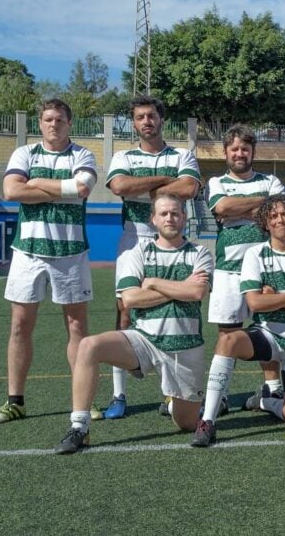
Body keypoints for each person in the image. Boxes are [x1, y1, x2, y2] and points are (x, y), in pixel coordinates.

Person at [55, 194, 212, 453]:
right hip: (144, 340)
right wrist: (179, 288)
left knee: (186, 423)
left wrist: (153, 283)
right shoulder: (137, 252)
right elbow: (129, 299)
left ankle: (174, 403)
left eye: (175, 213)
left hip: (185, 346)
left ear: (184, 217)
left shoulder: (199, 253)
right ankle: (79, 427)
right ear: (153, 219)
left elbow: (197, 292)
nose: (170, 218)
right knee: (89, 346)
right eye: (163, 214)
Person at [0, 98, 97, 424]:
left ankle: (84, 401)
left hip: (71, 253)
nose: (54, 124)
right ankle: (15, 401)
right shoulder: (24, 153)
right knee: (20, 325)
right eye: (48, 119)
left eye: (60, 120)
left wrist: (34, 183)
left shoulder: (82, 154)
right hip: (28, 252)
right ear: (40, 123)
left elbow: (82, 188)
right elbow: (11, 191)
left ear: (69, 123)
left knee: (77, 327)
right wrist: (62, 189)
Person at [191, 194, 285, 447]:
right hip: (266, 334)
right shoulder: (255, 254)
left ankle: (264, 401)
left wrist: (274, 297)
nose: (280, 220)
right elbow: (254, 303)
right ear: (265, 222)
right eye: (273, 216)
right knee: (228, 341)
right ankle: (207, 421)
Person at [103, 95, 200, 419]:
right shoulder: (124, 156)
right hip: (134, 239)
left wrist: (143, 187)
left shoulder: (182, 154)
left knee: (171, 309)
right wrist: (165, 181)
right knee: (125, 310)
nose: (147, 121)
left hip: (172, 238)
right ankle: (118, 395)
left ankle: (171, 393)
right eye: (140, 117)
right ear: (134, 123)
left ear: (161, 120)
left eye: (152, 116)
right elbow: (120, 186)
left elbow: (188, 189)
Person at [206, 124, 285, 415]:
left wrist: (242, 209)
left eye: (245, 148)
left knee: (270, 330)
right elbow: (222, 208)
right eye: (234, 149)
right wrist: (262, 204)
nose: (240, 153)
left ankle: (273, 387)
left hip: (267, 269)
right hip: (229, 269)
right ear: (225, 152)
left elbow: (277, 212)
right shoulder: (216, 182)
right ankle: (221, 394)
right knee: (228, 334)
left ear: (253, 152)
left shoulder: (270, 179)